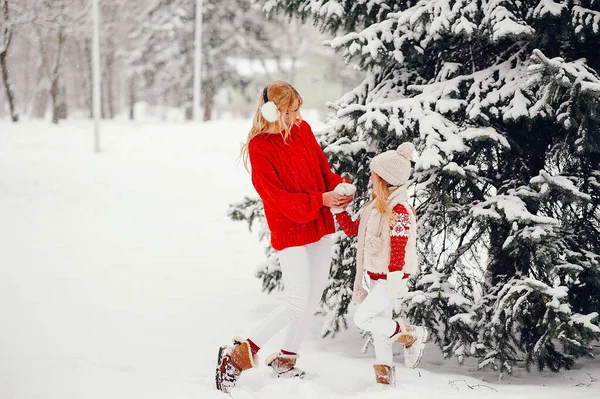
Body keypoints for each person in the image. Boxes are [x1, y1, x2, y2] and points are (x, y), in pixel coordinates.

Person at [215, 81, 353, 393]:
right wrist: (320, 200)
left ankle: (286, 360)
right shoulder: (260, 147)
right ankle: (236, 357)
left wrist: (339, 187)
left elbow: (323, 172)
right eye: (288, 112)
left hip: (318, 226)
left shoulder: (303, 131)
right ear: (270, 110)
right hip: (289, 229)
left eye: (296, 111)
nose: (294, 117)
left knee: (311, 299)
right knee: (295, 301)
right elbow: (276, 198)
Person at [335, 142, 428, 386]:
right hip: (377, 279)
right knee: (379, 333)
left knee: (362, 319)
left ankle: (411, 333)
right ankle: (385, 384)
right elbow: (355, 230)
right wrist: (340, 211)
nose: (370, 177)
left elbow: (397, 252)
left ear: (385, 179)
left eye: (374, 174)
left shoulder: (400, 211)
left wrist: (394, 285)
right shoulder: (375, 207)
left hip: (391, 280)